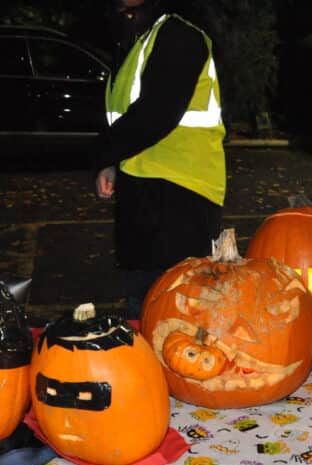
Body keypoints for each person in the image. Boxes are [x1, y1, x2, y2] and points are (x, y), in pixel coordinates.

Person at [93, 0, 226, 320]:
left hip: (181, 197)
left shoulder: (179, 36)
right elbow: (126, 114)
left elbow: (156, 114)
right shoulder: (141, 39)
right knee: (146, 309)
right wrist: (111, 164)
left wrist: (101, 152)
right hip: (146, 195)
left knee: (178, 314)